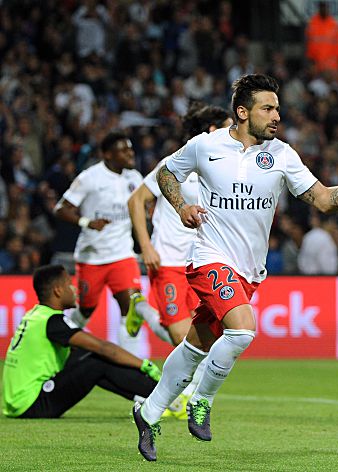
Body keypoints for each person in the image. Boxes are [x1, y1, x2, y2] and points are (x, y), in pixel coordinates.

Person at [131, 74, 338, 461]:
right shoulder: (205, 146)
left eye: (277, 109)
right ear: (242, 112)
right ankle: (201, 401)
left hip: (249, 271)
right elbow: (165, 174)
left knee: (194, 346)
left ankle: (148, 413)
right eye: (268, 108)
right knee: (243, 330)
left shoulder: (283, 155)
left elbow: (325, 200)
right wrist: (182, 207)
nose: (277, 116)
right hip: (209, 258)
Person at [126, 102, 233, 417]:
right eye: (229, 127)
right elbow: (136, 200)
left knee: (200, 337)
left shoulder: (224, 170)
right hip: (168, 261)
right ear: (212, 130)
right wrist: (145, 245)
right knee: (180, 335)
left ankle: (141, 309)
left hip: (202, 262)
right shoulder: (175, 163)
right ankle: (179, 397)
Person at [2, 265, 160, 419]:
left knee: (87, 357)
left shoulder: (35, 315)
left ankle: (152, 398)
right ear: (58, 291)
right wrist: (143, 364)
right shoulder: (53, 321)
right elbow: (103, 348)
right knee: (97, 360)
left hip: (19, 402)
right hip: (33, 404)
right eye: (69, 284)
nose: (74, 289)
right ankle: (161, 396)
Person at [53, 131, 154, 354]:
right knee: (86, 310)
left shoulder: (134, 177)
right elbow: (60, 209)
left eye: (130, 149)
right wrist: (87, 222)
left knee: (131, 309)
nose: (130, 153)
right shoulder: (90, 178)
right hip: (93, 256)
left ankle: (130, 363)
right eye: (123, 150)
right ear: (108, 154)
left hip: (123, 255)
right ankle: (60, 343)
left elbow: (144, 207)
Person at [305, 1, 338, 74]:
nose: (324, 9)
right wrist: (311, 63)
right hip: (316, 67)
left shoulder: (334, 25)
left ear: (328, 8)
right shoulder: (312, 24)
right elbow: (308, 46)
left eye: (325, 7)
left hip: (331, 68)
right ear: (319, 8)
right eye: (322, 7)